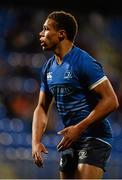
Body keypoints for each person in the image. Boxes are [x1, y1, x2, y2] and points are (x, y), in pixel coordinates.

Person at [32, 10, 119, 179]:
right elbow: (41, 107)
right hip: (70, 139)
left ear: (61, 34)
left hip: (94, 137)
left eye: (46, 29)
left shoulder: (84, 62)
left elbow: (111, 101)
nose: (41, 33)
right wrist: (36, 142)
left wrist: (80, 127)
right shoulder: (48, 68)